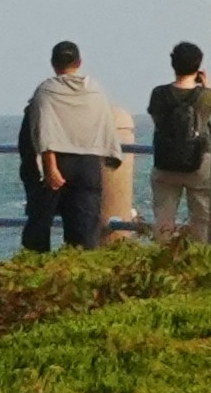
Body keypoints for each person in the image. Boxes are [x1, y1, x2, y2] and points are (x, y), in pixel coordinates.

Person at [19, 41, 130, 251]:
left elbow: (44, 129)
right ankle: (80, 273)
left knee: (39, 226)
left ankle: (36, 271)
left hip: (53, 164)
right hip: (87, 164)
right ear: (79, 62)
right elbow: (105, 125)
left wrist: (50, 167)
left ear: (53, 63)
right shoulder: (96, 91)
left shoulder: (46, 90)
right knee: (85, 230)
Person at [139, 40, 211, 238]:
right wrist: (206, 86)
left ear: (173, 64)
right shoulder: (206, 96)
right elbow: (209, 116)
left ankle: (164, 258)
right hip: (199, 163)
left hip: (166, 163)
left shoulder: (159, 93)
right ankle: (200, 260)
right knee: (202, 218)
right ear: (198, 67)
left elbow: (158, 122)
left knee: (164, 218)